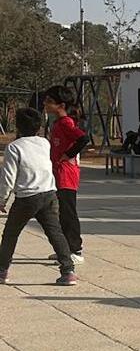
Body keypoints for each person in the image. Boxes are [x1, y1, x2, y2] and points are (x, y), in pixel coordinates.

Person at [0, 108, 78, 286]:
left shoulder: (14, 147)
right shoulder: (45, 143)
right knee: (55, 232)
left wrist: (2, 199)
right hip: (49, 194)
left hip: (27, 197)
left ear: (17, 126)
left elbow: (8, 177)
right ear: (38, 126)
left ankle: (2, 270)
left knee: (11, 234)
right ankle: (68, 271)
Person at [43, 85, 89, 264]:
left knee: (68, 213)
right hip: (57, 173)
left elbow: (83, 138)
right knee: (60, 212)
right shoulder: (57, 123)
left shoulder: (66, 122)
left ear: (60, 105)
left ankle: (76, 251)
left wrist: (68, 155)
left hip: (66, 174)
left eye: (49, 102)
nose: (45, 104)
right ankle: (64, 248)